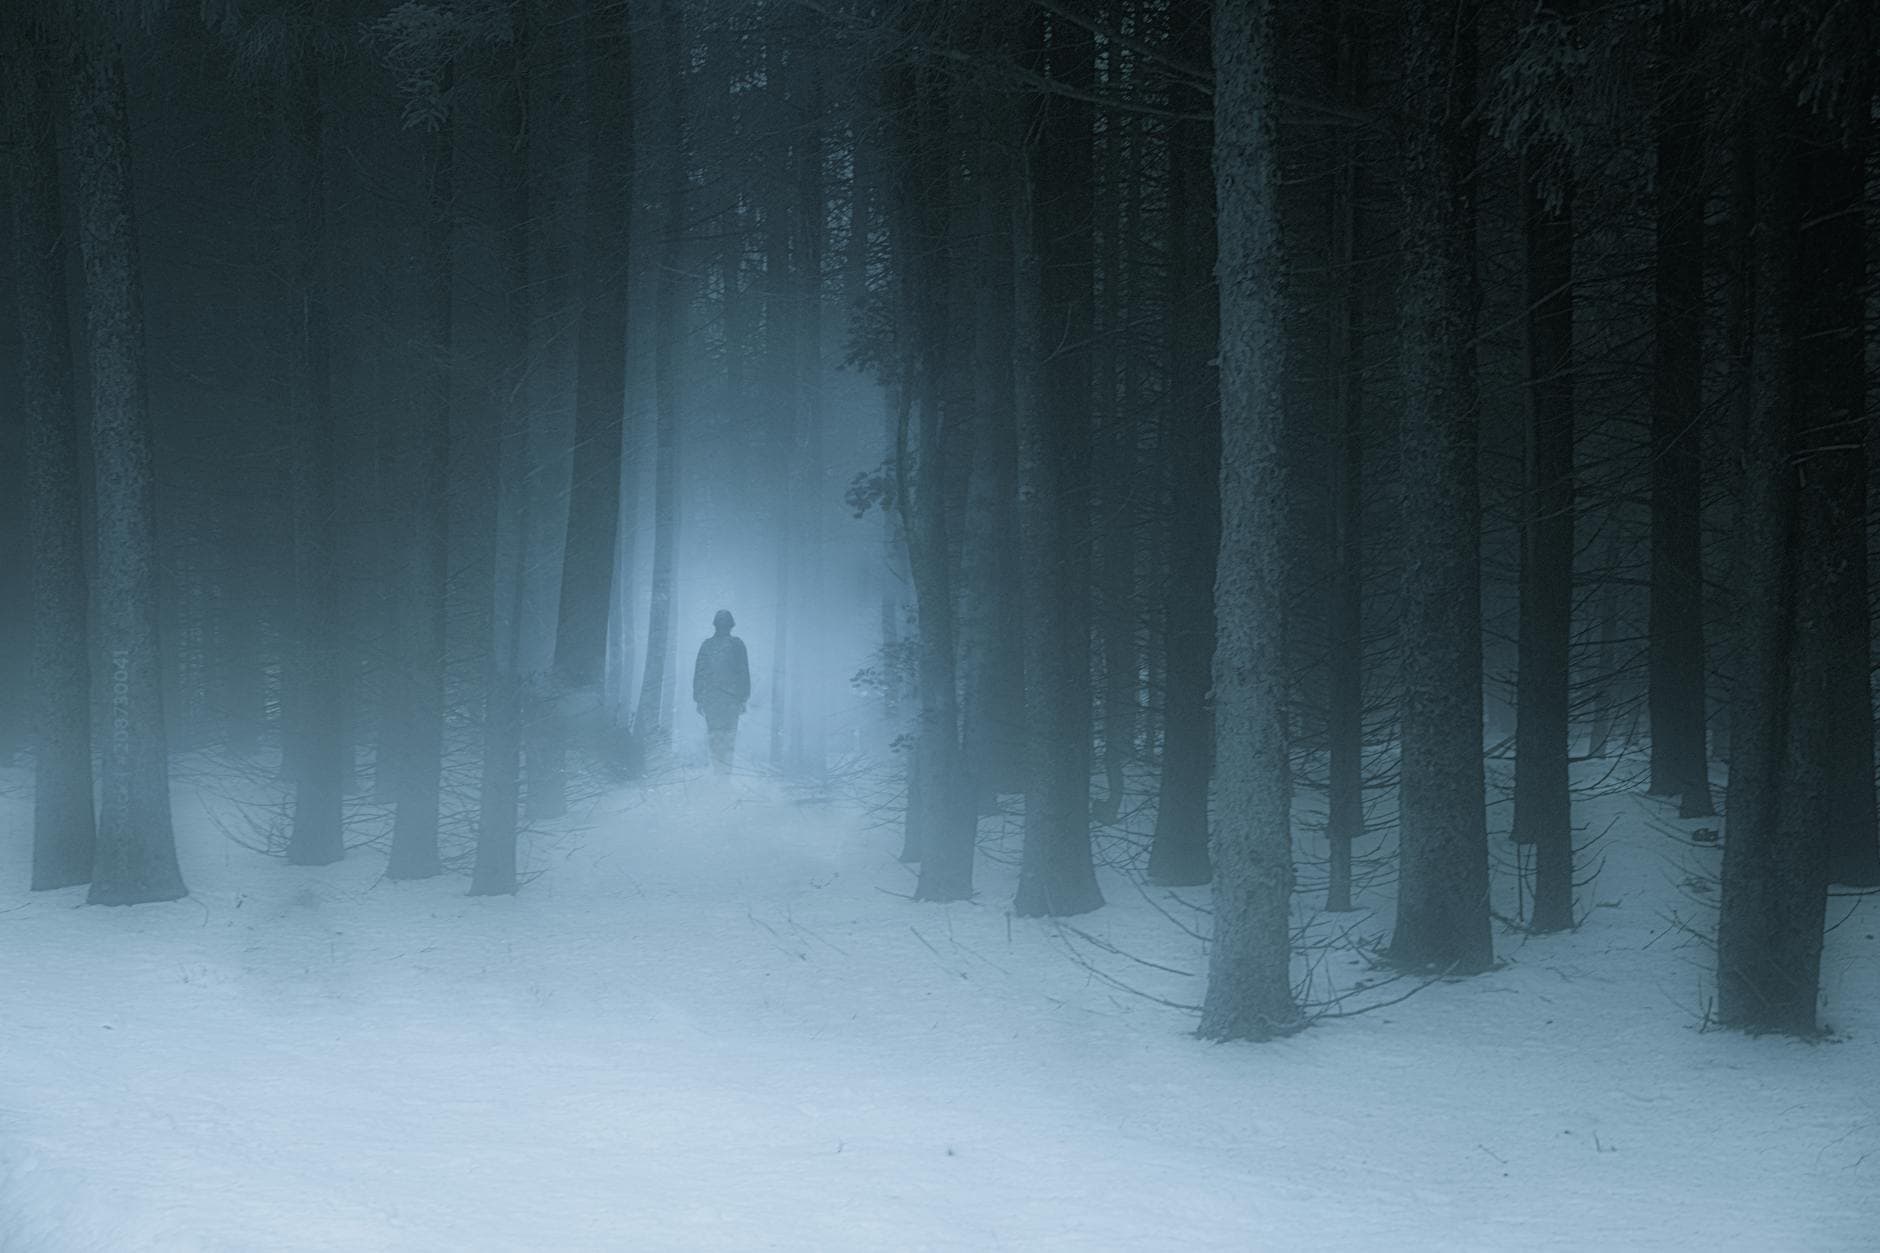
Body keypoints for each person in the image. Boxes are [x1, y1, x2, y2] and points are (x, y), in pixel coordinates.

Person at [693, 609, 751, 772]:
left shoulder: (707, 645)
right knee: (727, 738)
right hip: (730, 700)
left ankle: (719, 771)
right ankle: (724, 774)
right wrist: (743, 698)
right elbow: (743, 673)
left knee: (716, 737)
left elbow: (700, 672)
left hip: (713, 700)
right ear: (731, 625)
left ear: (715, 625)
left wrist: (699, 698)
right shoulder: (737, 644)